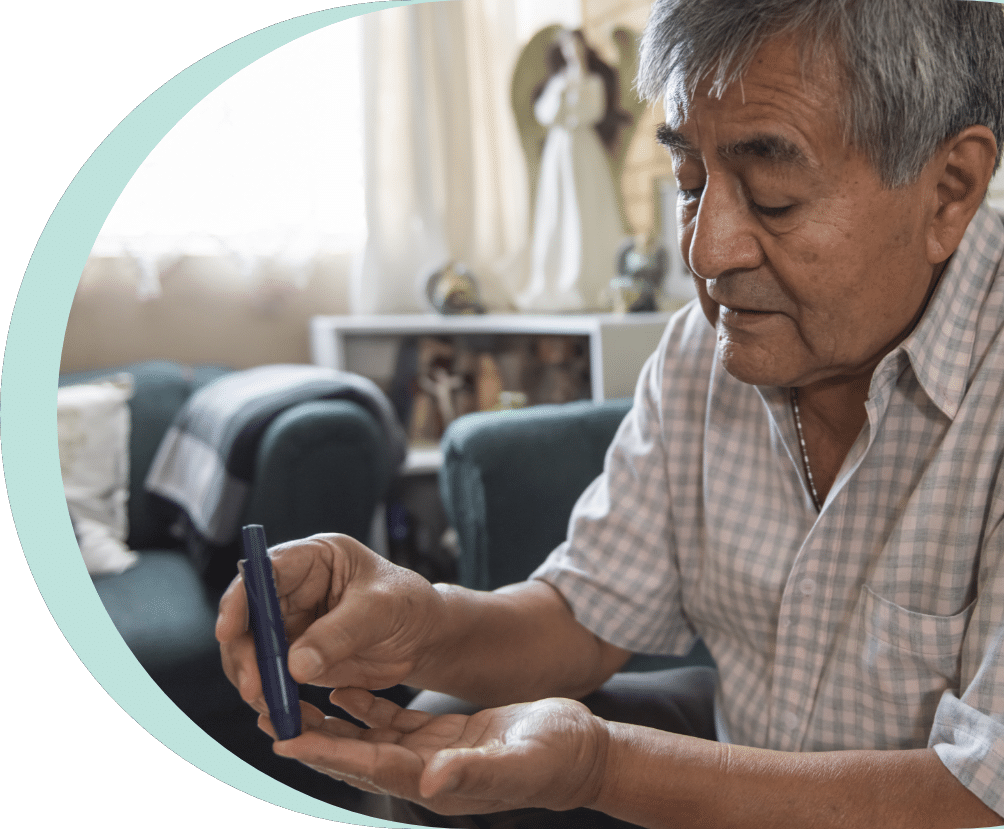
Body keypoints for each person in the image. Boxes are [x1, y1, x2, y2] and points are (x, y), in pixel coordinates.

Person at [216, 0, 1004, 826]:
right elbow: (584, 616)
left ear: (949, 191)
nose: (706, 252)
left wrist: (599, 764)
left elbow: (980, 798)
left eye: (772, 196)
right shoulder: (707, 349)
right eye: (690, 183)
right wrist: (420, 620)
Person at [517, 28, 627, 313]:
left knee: (588, 208)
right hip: (560, 152)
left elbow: (594, 112)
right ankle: (559, 280)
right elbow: (545, 113)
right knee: (560, 210)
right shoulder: (556, 83)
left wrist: (575, 96)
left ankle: (595, 281)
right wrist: (562, 92)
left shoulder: (592, 81)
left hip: (584, 148)